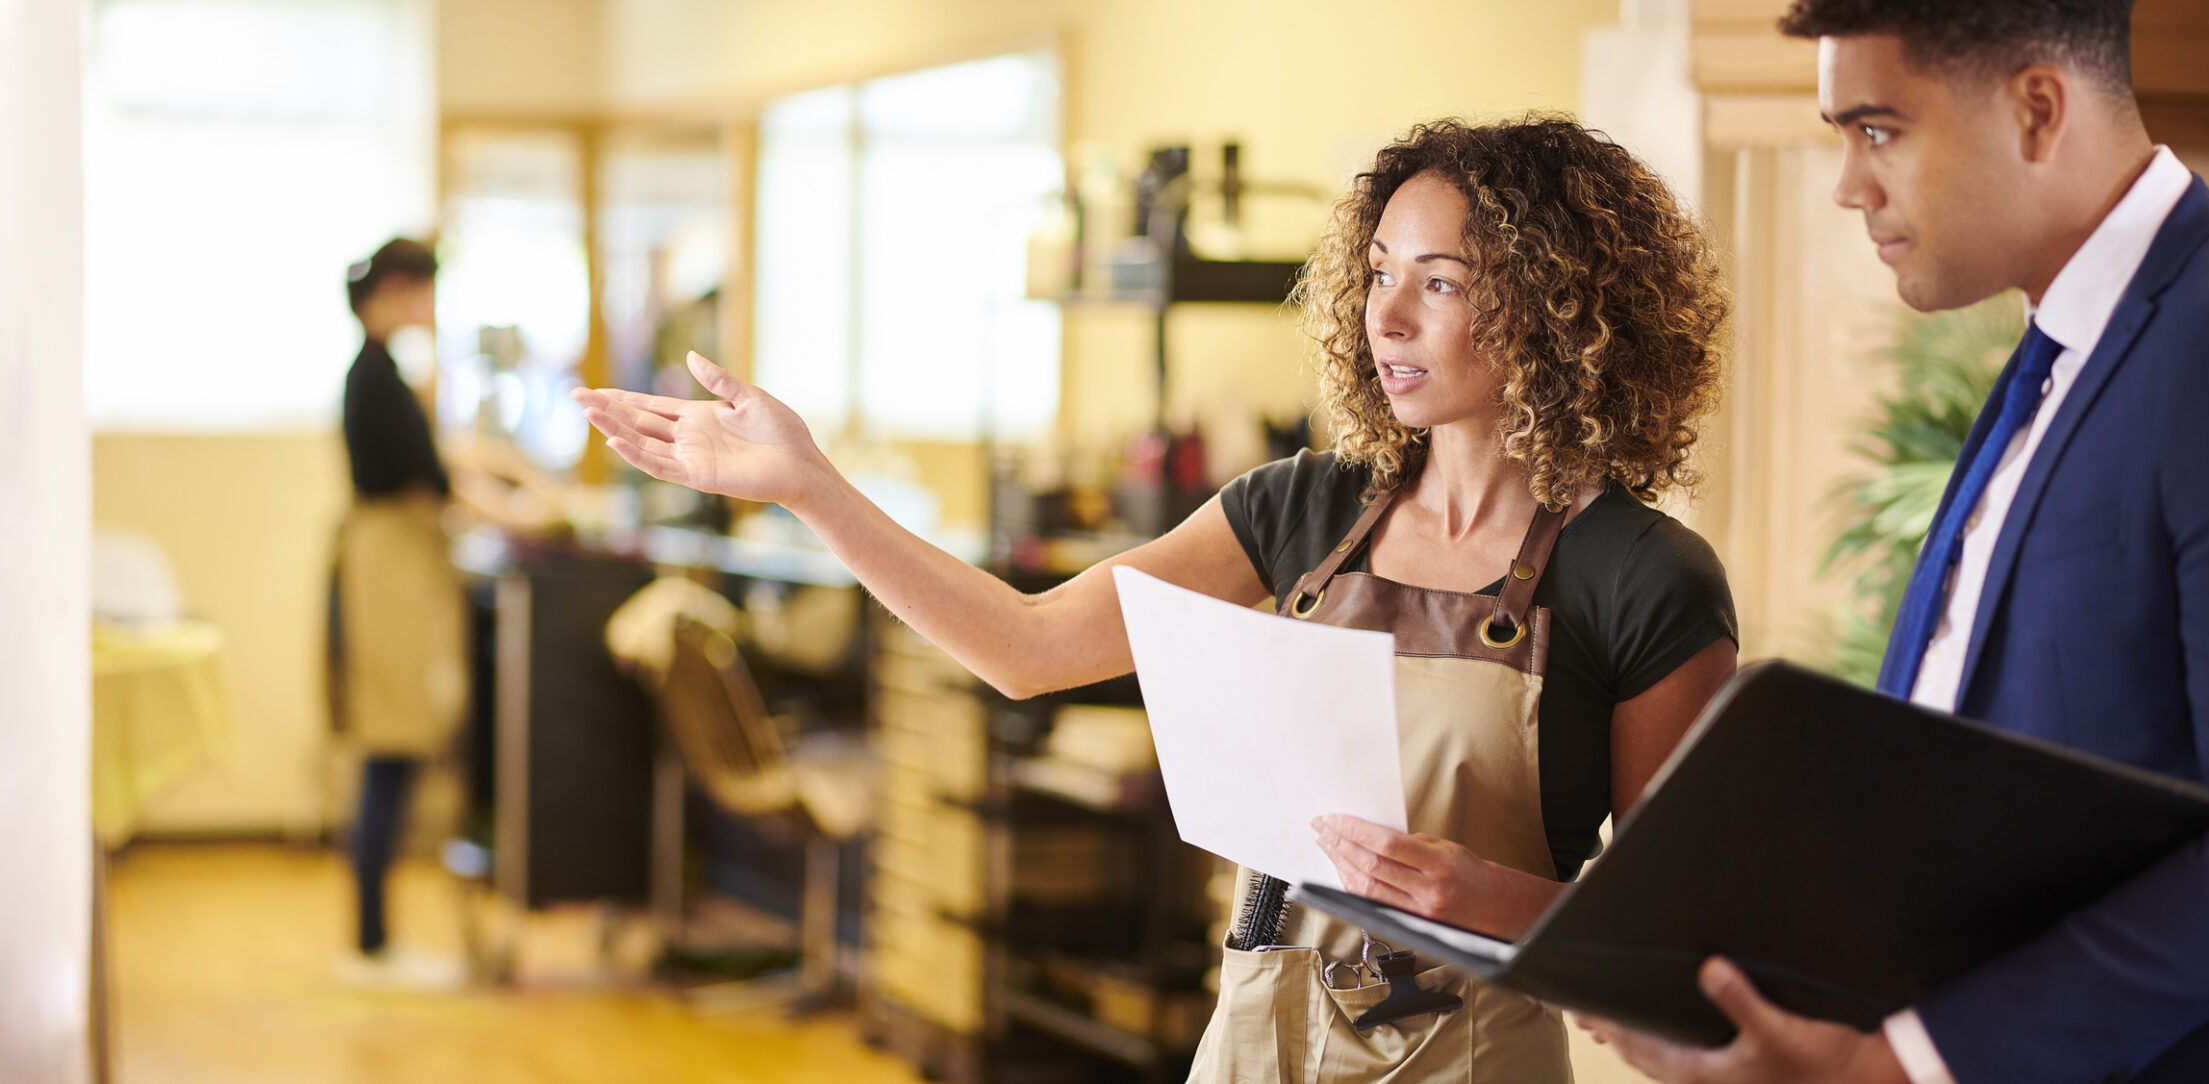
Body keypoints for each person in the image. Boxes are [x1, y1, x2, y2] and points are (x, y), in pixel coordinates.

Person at [578, 117, 1739, 1082]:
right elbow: (1023, 646)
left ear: (1554, 306)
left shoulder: (1643, 580)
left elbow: (1670, 953)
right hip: (1252, 1039)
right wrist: (809, 487)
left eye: (1438, 284)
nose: (1386, 316)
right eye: (1379, 272)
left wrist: (1492, 896)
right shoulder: (1298, 512)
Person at [1582, 2, 2209, 1082]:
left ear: (2036, 108)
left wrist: (1897, 1065)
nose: (1849, 183)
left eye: (1876, 129)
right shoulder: (2054, 351)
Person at [330, 237, 471, 987]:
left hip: (395, 575)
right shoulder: (375, 379)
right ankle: (373, 941)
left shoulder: (383, 374)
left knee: (395, 753)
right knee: (390, 752)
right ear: (393, 289)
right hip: (387, 580)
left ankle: (375, 937)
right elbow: (430, 476)